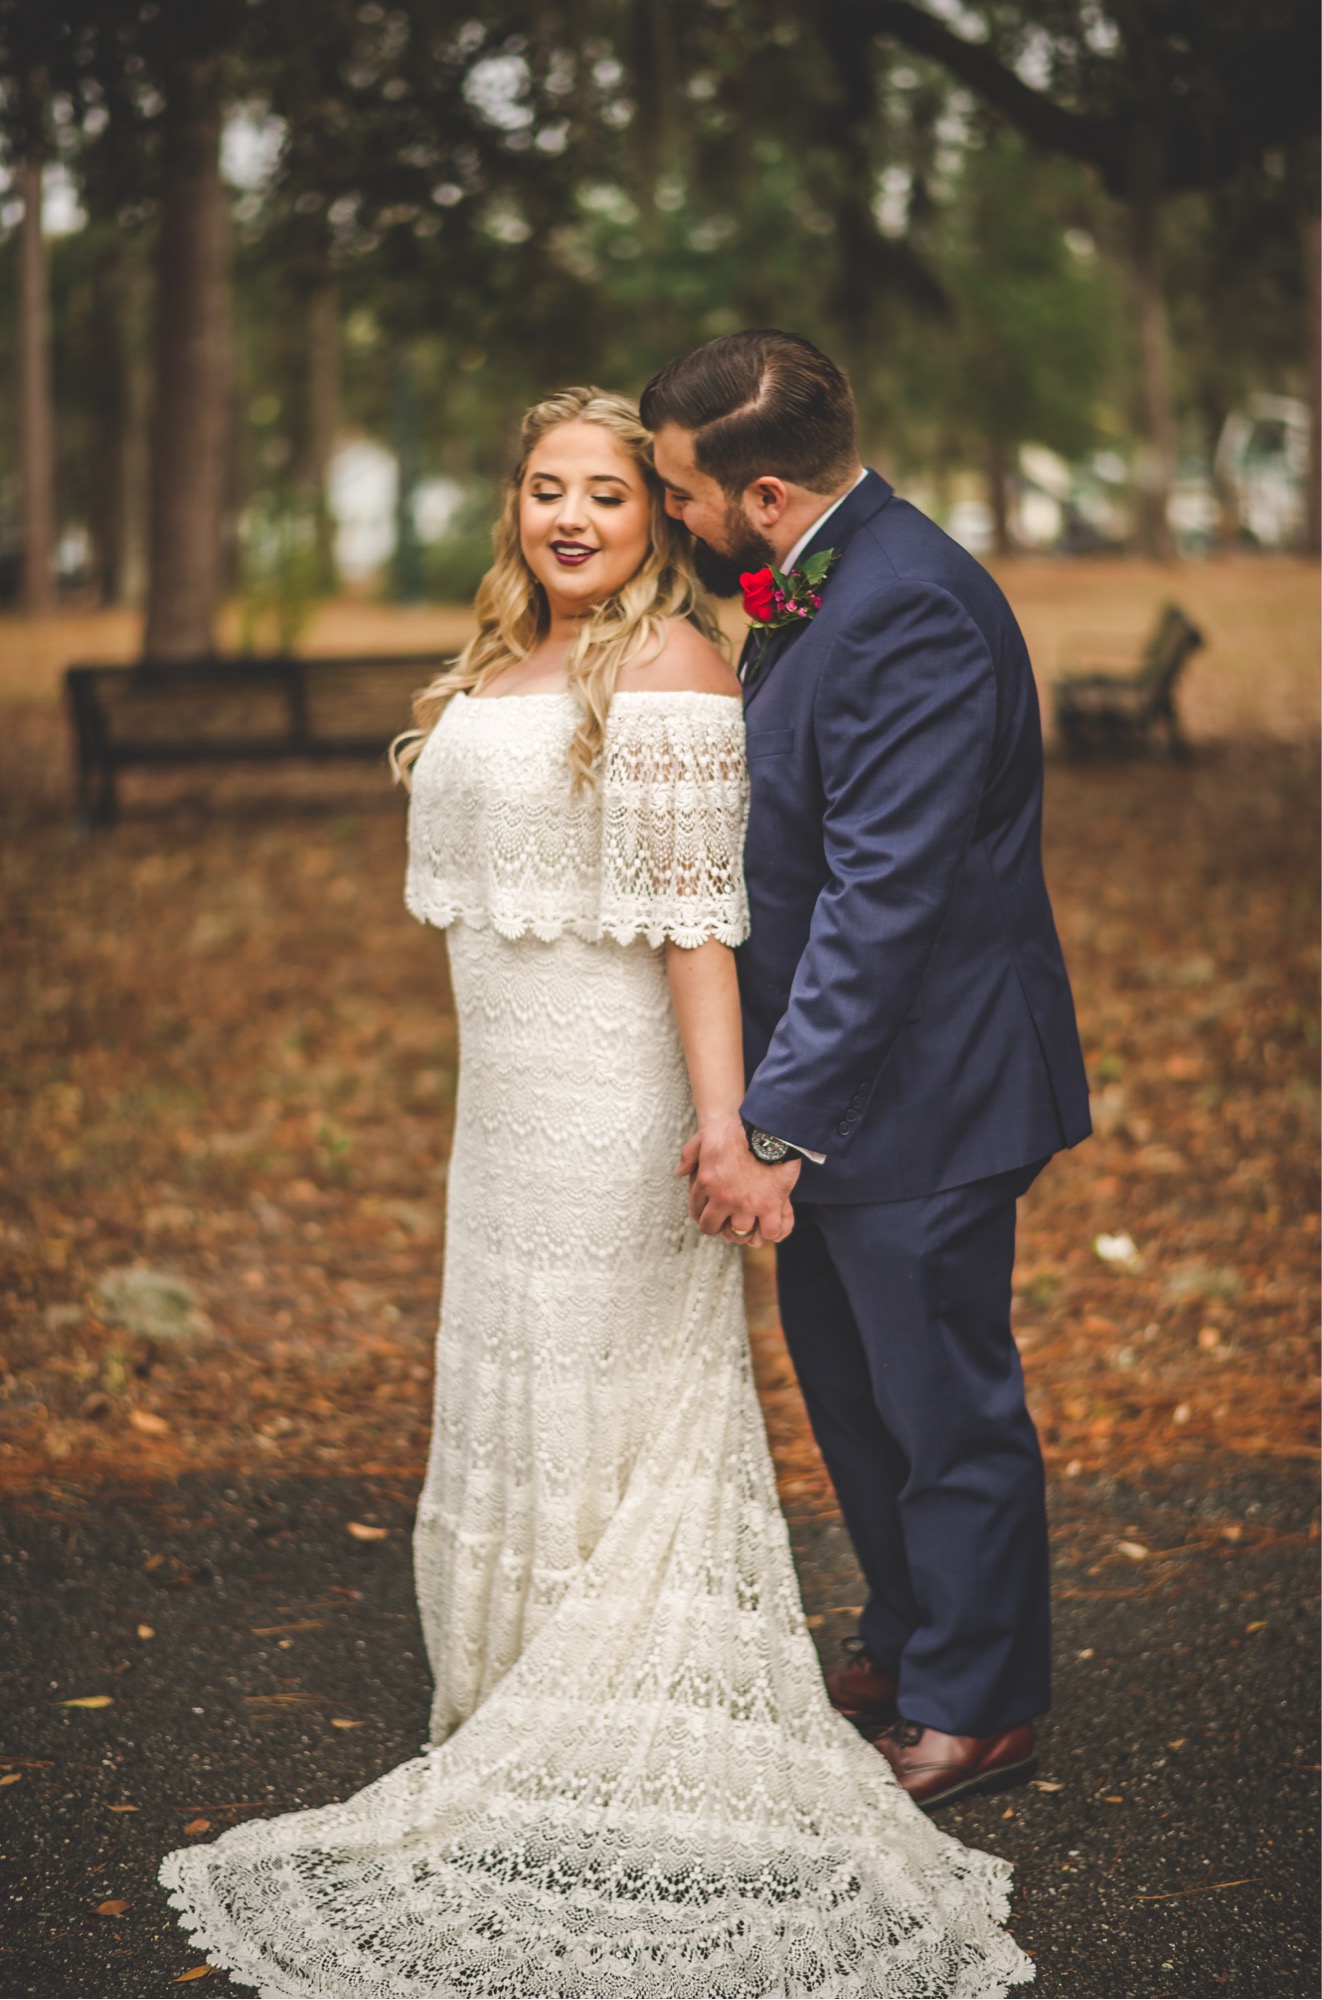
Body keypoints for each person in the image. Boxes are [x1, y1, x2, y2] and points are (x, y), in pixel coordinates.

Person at [159, 386, 1033, 1995]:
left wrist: (742, 1122)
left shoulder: (725, 650)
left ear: (691, 508)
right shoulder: (522, 658)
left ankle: (944, 1691)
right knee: (807, 1392)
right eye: (545, 488)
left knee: (905, 1389)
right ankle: (833, 1655)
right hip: (516, 1099)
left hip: (738, 1089)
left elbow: (764, 905)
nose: (577, 516)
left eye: (623, 496)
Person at [642, 330, 1092, 1813]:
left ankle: (980, 1700)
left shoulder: (907, 609)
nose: (672, 521)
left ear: (762, 495)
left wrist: (776, 1119)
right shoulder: (825, 581)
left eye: (680, 496)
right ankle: (909, 1643)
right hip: (843, 1091)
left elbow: (881, 896)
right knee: (855, 1396)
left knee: (940, 1405)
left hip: (926, 1088)